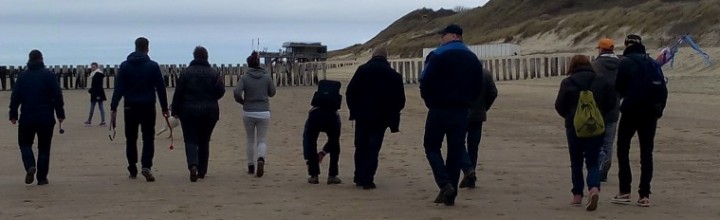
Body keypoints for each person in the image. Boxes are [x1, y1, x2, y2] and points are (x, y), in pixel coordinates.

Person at [420, 24, 483, 206]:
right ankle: (451, 193)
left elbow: (425, 79)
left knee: (431, 146)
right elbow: (478, 84)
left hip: (439, 108)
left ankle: (445, 183)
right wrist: (469, 101)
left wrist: (429, 100)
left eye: (443, 35)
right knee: (455, 150)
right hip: (462, 109)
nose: (441, 39)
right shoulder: (472, 58)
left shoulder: (438, 55)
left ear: (453, 36)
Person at [612, 34, 668, 207]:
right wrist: (659, 111)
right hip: (651, 112)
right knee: (646, 153)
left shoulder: (624, 62)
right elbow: (663, 89)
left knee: (623, 149)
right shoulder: (651, 62)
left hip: (631, 110)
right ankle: (644, 195)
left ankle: (625, 191)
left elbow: (618, 87)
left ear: (627, 45)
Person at [555, 55, 616, 211]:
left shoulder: (568, 82)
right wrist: (599, 115)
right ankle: (594, 188)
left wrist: (570, 117)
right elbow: (611, 102)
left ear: (572, 66)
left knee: (576, 162)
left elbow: (559, 105)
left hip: (574, 128)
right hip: (595, 128)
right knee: (593, 161)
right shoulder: (601, 80)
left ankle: (577, 195)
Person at [110, 37, 169, 182]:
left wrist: (113, 106)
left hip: (130, 106)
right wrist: (164, 108)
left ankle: (132, 166)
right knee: (148, 137)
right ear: (147, 48)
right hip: (148, 106)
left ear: (135, 47)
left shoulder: (125, 66)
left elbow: (119, 88)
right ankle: (146, 165)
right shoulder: (153, 66)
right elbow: (161, 88)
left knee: (131, 138)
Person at [346, 46, 406, 189]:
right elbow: (400, 101)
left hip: (363, 115)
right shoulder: (394, 75)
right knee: (373, 148)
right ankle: (367, 179)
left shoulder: (362, 70)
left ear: (372, 56)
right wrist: (392, 113)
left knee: (360, 146)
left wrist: (354, 110)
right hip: (382, 117)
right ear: (386, 58)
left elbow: (350, 92)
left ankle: (358, 175)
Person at [9, 50, 65, 185]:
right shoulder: (49, 76)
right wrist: (60, 114)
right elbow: (57, 96)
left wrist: (13, 114)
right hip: (46, 117)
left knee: (24, 144)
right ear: (42, 59)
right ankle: (42, 178)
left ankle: (30, 165)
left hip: (27, 117)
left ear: (29, 60)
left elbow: (15, 96)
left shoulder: (23, 77)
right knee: (44, 148)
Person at [171, 46, 225, 182]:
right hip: (210, 111)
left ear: (194, 57)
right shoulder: (214, 73)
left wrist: (175, 111)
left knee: (190, 139)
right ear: (207, 57)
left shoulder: (186, 73)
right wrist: (211, 98)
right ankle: (202, 170)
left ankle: (192, 165)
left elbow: (179, 93)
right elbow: (221, 91)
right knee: (204, 140)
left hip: (188, 111)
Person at [234, 51, 276, 177]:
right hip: (263, 111)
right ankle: (261, 159)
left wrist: (243, 102)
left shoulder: (245, 78)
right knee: (262, 139)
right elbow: (272, 93)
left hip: (248, 111)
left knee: (250, 139)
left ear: (249, 65)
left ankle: (251, 165)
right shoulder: (266, 77)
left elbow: (236, 92)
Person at [458, 67, 497, 189]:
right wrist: (485, 107)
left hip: (461, 113)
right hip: (478, 115)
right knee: (473, 147)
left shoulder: (459, 73)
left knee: (458, 143)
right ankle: (471, 177)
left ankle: (468, 169)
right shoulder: (485, 73)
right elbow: (493, 93)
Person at [591, 38, 621, 182]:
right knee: (609, 142)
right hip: (615, 107)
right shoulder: (621, 65)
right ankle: (604, 173)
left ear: (601, 50)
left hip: (598, 108)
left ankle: (600, 168)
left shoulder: (595, 65)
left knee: (596, 141)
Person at [303, 80, 343, 185]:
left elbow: (306, 140)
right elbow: (334, 140)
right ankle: (332, 175)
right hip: (331, 117)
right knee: (335, 144)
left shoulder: (314, 108)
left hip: (315, 116)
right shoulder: (335, 113)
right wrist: (323, 152)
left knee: (311, 142)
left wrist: (308, 157)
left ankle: (314, 175)